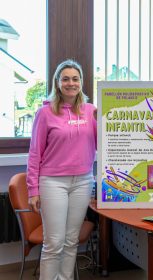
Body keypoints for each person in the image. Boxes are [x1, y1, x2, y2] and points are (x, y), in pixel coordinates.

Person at [27, 59, 97, 279]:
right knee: (54, 242)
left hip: (84, 181)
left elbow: (105, 141)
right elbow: (35, 153)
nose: (71, 83)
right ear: (57, 83)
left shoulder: (91, 111)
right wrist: (33, 190)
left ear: (81, 82)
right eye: (65, 79)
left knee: (71, 240)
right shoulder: (45, 113)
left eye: (75, 79)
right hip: (53, 182)